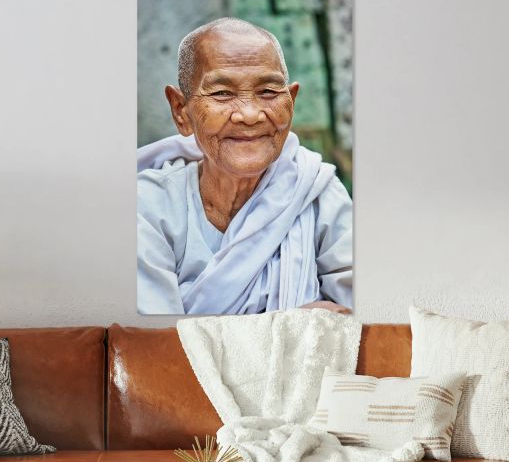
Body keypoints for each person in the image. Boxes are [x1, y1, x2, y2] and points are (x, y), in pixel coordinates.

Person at [137, 17, 353, 315]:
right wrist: (294, 324)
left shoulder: (318, 193)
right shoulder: (149, 206)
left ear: (291, 100)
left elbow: (360, 327)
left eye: (268, 92)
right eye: (222, 93)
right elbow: (153, 348)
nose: (250, 114)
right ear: (181, 111)